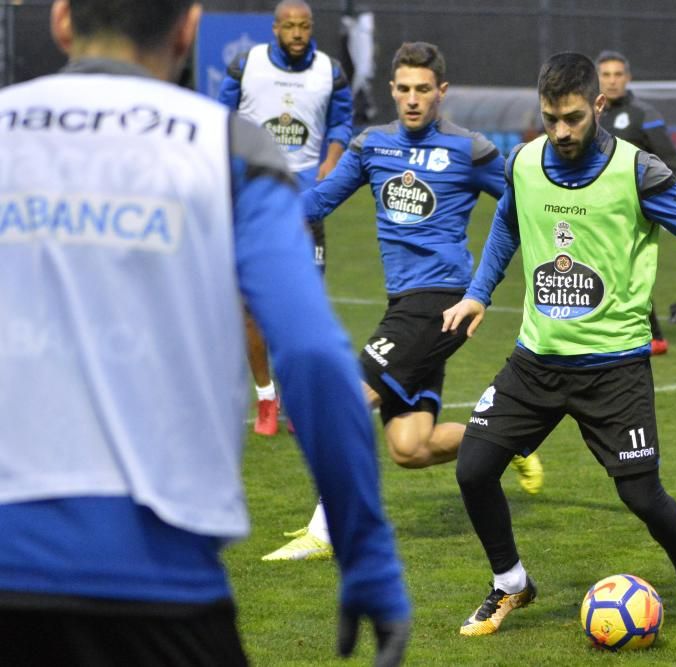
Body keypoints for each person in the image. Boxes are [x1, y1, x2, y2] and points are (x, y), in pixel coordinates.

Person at [0, 2, 409, 665]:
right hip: (164, 584)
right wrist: (366, 558)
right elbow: (309, 352)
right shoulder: (226, 146)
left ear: (62, 21)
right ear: (188, 28)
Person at [442, 52, 676, 638]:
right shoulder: (524, 162)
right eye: (550, 117)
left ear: (598, 105)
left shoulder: (636, 170)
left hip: (614, 369)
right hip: (536, 361)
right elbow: (507, 224)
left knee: (642, 496)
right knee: (474, 469)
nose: (560, 131)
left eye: (573, 118)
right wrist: (478, 293)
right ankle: (511, 584)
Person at [261, 41, 544, 562]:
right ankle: (508, 440)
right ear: (392, 90)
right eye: (404, 89)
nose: (413, 99)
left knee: (347, 399)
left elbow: (523, 198)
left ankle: (324, 532)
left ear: (442, 92)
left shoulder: (470, 149)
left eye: (423, 90)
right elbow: (321, 199)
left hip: (442, 304)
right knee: (410, 448)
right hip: (403, 306)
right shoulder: (372, 146)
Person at [218, 0, 354, 436]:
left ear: (311, 27)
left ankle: (298, 398)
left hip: (306, 203)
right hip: (253, 200)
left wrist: (332, 159)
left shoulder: (330, 72)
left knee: (304, 306)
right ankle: (265, 398)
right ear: (275, 29)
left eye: (304, 26)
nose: (297, 33)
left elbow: (342, 122)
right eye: (289, 26)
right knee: (249, 309)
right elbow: (222, 118)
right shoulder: (247, 65)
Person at [596, 49, 676, 357]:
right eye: (606, 75)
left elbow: (671, 160)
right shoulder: (589, 113)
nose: (612, 81)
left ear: (628, 78)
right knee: (609, 268)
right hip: (594, 207)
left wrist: (673, 201)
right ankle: (633, 333)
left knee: (623, 269)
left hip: (633, 206)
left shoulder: (643, 114)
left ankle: (651, 336)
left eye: (617, 74)